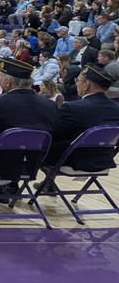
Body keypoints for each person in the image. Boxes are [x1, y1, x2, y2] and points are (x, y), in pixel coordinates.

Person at [0, 58, 59, 201]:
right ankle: (8, 185)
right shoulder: (50, 105)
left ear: (8, 82)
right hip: (33, 164)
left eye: (0, 76)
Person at [38, 64, 119, 192]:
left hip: (72, 161)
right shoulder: (116, 109)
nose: (76, 84)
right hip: (102, 161)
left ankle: (8, 185)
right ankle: (48, 183)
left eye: (78, 81)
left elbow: (52, 133)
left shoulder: (73, 108)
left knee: (31, 145)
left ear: (87, 85)